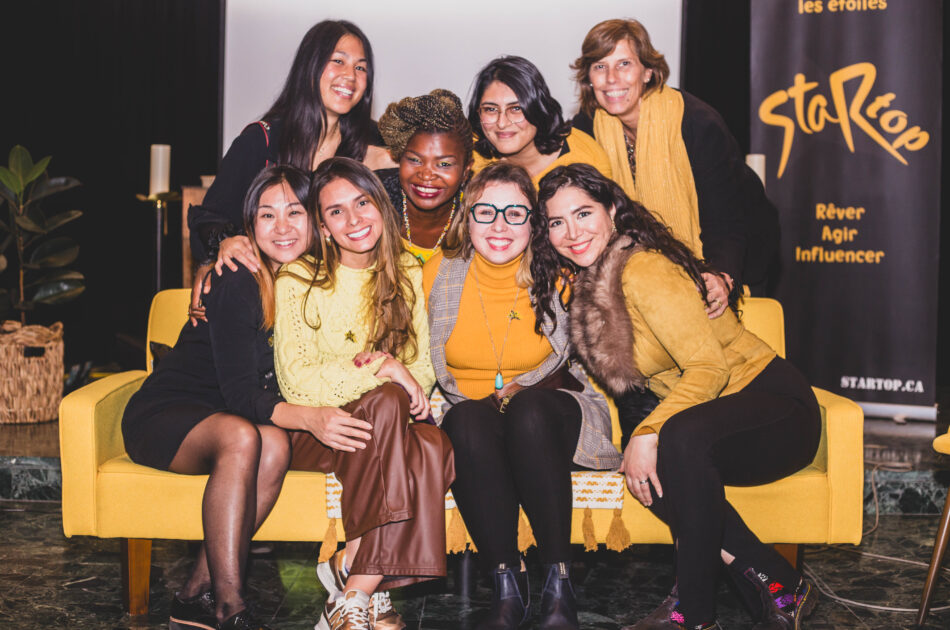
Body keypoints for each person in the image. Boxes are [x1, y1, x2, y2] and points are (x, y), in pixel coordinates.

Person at [530, 163, 821, 630]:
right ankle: (778, 583)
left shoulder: (643, 268)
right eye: (556, 222)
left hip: (775, 409)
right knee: (655, 471)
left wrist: (648, 432)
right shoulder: (589, 288)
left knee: (674, 440)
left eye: (583, 214)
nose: (572, 232)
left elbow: (709, 368)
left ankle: (693, 615)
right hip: (710, 426)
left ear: (611, 211)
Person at [122, 164, 325, 630]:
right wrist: (311, 417)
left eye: (295, 212)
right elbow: (238, 394)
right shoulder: (237, 279)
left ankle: (195, 594)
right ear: (250, 227)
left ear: (314, 220)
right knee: (243, 436)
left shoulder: (310, 282)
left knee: (275, 443)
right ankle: (229, 607)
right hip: (167, 413)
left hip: (224, 416)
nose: (282, 227)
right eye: (267, 215)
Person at [423, 162, 619, 630]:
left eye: (515, 213)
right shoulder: (437, 275)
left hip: (552, 409)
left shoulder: (561, 273)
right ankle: (507, 587)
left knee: (527, 410)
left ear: (534, 223)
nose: (499, 226)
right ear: (466, 217)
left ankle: (559, 583)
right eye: (486, 212)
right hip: (472, 414)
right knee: (465, 421)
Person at [273, 157, 454, 630]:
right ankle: (366, 586)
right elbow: (296, 381)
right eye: (336, 212)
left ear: (381, 207)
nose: (353, 220)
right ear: (323, 227)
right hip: (319, 434)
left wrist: (398, 375)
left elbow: (423, 371)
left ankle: (355, 586)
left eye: (362, 203)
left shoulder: (407, 272)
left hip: (383, 434)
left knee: (432, 442)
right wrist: (384, 367)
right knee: (392, 402)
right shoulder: (297, 279)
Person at [189, 19, 395, 322]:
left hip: (339, 308)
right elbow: (211, 217)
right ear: (310, 67)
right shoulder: (261, 140)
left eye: (361, 67)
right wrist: (218, 251)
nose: (350, 76)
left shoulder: (375, 143)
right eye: (338, 61)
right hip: (263, 305)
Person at [571, 18, 779, 306]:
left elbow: (726, 218)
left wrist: (722, 275)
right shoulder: (588, 126)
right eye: (600, 67)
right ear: (588, 78)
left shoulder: (697, 123)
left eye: (624, 64)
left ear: (648, 71)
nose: (611, 78)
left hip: (738, 249)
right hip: (651, 269)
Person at [467, 56, 612, 187]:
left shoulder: (587, 160)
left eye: (516, 108)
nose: (502, 123)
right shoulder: (468, 154)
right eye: (490, 109)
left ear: (538, 109)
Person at [375, 89, 473, 264]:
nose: (426, 175)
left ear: (466, 170)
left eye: (444, 164)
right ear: (399, 158)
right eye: (415, 160)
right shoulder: (373, 198)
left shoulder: (479, 216)